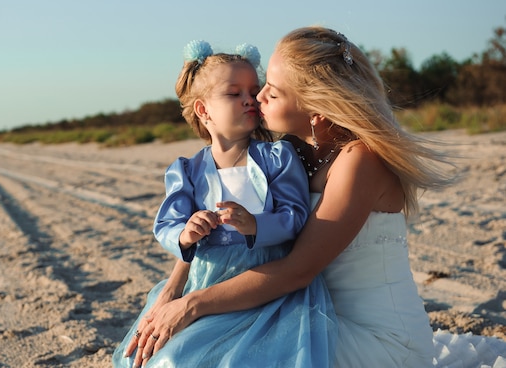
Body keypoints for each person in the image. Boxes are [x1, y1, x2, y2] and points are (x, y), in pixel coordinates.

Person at [127, 26, 471, 368]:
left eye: (272, 93)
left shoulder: (359, 161)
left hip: (373, 338)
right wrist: (176, 287)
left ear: (315, 109)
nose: (257, 97)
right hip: (298, 311)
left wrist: (193, 304)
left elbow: (297, 271)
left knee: (220, 350)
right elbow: (212, 227)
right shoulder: (290, 152)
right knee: (188, 344)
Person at [112, 40, 337, 367]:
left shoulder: (277, 157)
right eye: (234, 94)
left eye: (254, 90)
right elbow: (166, 225)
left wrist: (256, 225)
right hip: (207, 278)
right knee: (172, 357)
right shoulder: (187, 171)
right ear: (204, 110)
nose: (250, 99)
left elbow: (295, 216)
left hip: (265, 283)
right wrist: (186, 234)